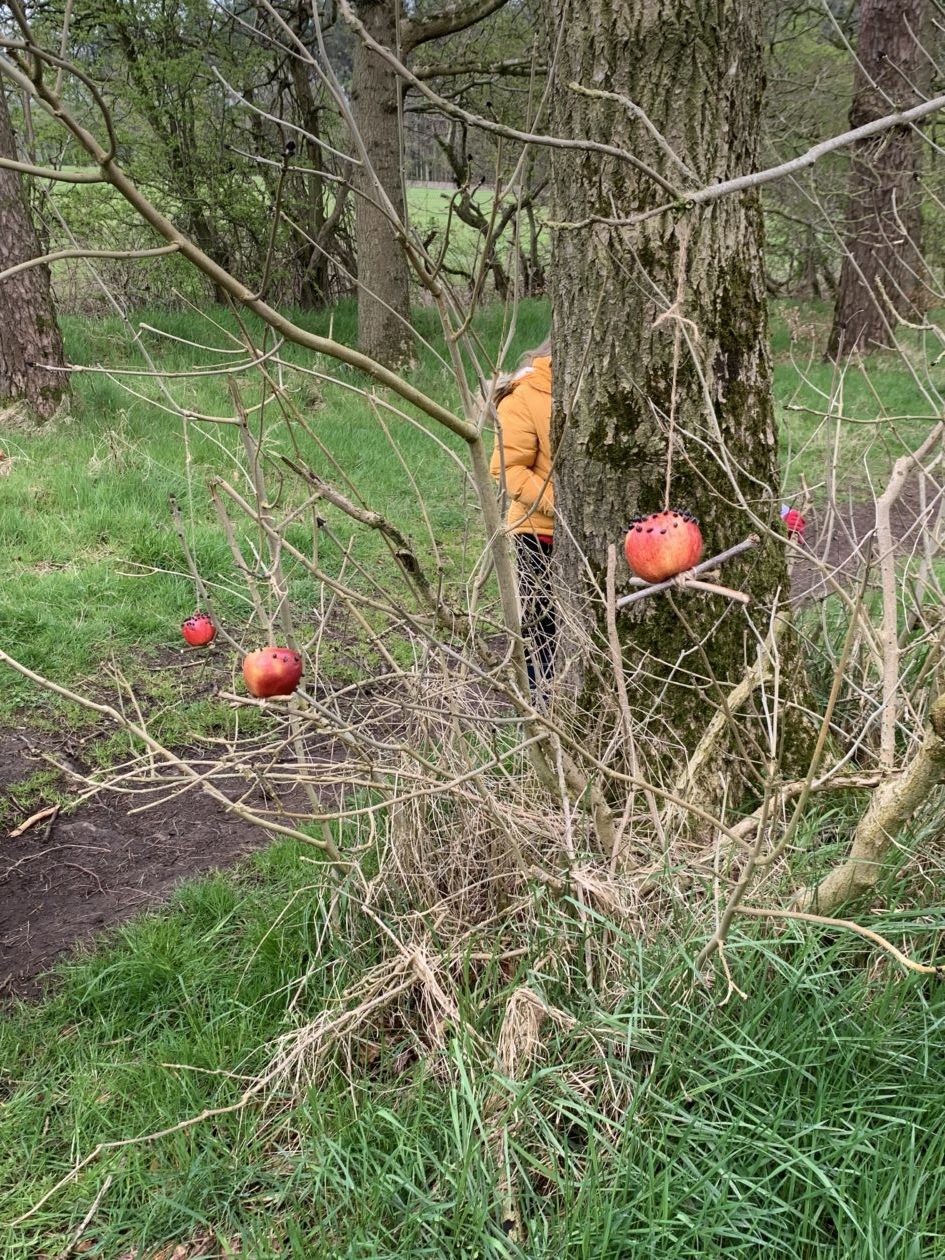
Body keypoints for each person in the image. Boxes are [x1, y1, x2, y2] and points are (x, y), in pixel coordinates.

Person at [489, 339, 556, 690]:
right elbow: (508, 467)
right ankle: (541, 702)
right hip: (539, 534)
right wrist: (559, 505)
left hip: (599, 539)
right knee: (543, 627)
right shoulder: (525, 393)